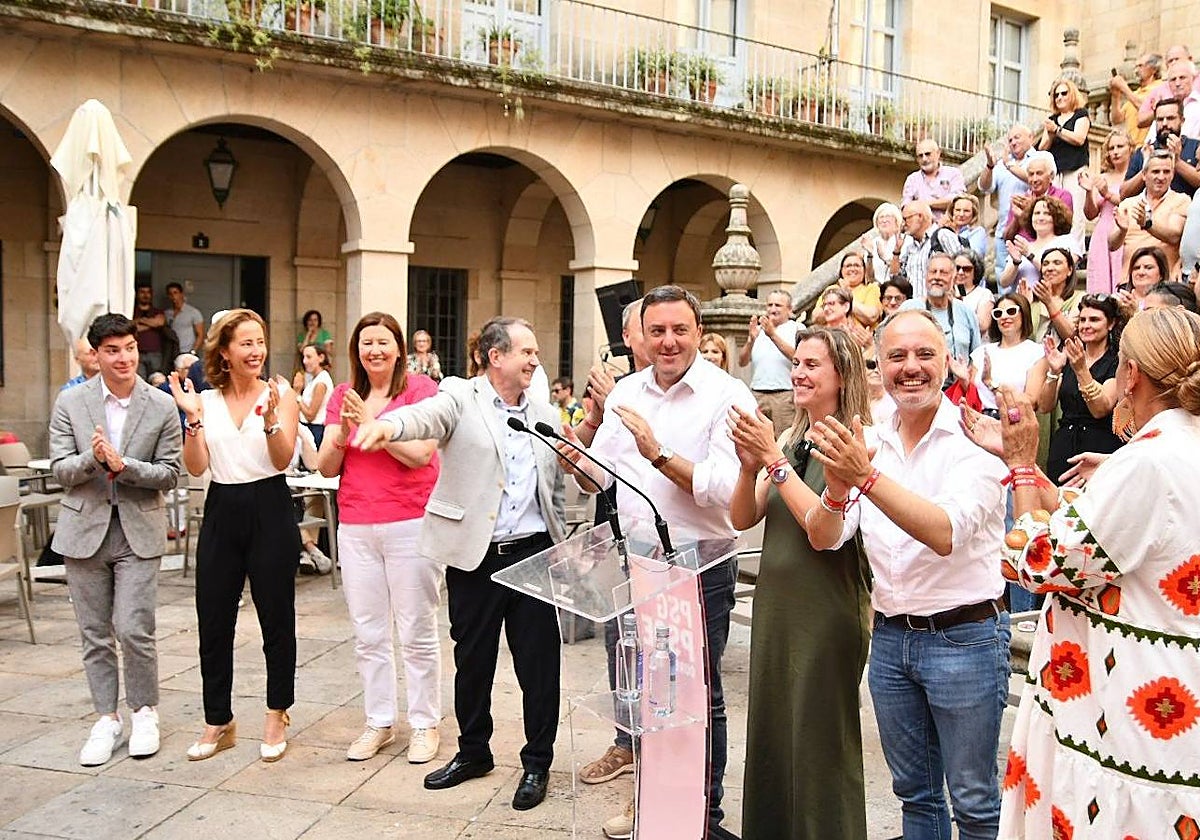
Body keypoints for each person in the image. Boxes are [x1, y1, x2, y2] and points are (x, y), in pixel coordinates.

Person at [978, 307, 1200, 838]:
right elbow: (1123, 536)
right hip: (1164, 706)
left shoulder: (1147, 461)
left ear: (1131, 375)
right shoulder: (1181, 446)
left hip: (1125, 713)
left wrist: (1023, 465)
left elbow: (1036, 563)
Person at [557, 286, 755, 840]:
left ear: (697, 332)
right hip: (636, 565)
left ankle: (703, 819)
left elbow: (723, 487)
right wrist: (576, 458)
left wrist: (659, 455)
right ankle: (656, 809)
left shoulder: (727, 394)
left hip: (700, 567)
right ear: (641, 335)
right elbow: (606, 475)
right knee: (651, 694)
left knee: (697, 698)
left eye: (679, 330)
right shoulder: (628, 391)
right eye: (657, 331)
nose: (667, 342)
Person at [809, 309, 1011, 840]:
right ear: (879, 365)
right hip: (893, 640)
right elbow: (826, 536)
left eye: (924, 354)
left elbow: (944, 531)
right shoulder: (870, 439)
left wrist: (863, 477)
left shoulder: (978, 440)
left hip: (965, 639)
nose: (911, 368)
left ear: (948, 362)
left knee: (973, 800)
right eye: (897, 356)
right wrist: (834, 488)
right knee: (915, 796)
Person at [353, 317, 566, 812]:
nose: (535, 361)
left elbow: (559, 477)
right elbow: (424, 417)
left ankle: (537, 763)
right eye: (526, 352)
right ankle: (474, 752)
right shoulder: (459, 395)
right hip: (476, 556)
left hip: (534, 553)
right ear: (496, 357)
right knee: (473, 663)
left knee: (540, 667)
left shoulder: (543, 410)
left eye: (535, 353)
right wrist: (386, 425)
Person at [728, 327, 872, 840]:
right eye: (798, 363)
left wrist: (772, 460)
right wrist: (750, 468)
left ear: (842, 375)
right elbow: (743, 517)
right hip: (777, 608)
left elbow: (821, 531)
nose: (799, 373)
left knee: (819, 744)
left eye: (813, 364)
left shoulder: (857, 443)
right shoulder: (791, 437)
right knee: (773, 734)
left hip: (826, 612)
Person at [168, 309, 302, 763]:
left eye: (260, 341)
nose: (256, 351)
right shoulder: (204, 400)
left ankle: (276, 712)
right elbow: (196, 466)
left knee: (276, 618)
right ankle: (217, 720)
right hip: (222, 509)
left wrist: (270, 421)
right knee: (213, 620)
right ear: (224, 351)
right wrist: (192, 420)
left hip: (270, 506)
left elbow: (283, 460)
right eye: (245, 343)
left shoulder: (280, 393)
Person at [48, 313, 182, 767]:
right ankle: (106, 717)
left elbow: (170, 473)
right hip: (83, 530)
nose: (123, 357)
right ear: (96, 355)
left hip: (138, 530)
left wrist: (125, 466)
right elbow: (60, 469)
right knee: (94, 633)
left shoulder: (161, 405)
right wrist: (94, 458)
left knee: (132, 627)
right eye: (112, 350)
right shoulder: (71, 402)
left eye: (128, 348)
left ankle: (144, 711)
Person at [316, 312, 443, 763]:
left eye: (383, 342)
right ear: (356, 350)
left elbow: (420, 454)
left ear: (399, 349)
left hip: (411, 522)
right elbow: (325, 466)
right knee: (368, 631)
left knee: (416, 628)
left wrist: (374, 422)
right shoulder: (342, 396)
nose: (375, 350)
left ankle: (426, 723)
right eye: (366, 342)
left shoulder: (421, 392)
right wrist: (346, 429)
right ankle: (379, 721)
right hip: (356, 523)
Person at [1040, 294, 1126, 484]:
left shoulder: (1116, 361)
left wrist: (1081, 370)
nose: (1086, 325)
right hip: (1064, 448)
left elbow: (1101, 408)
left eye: (1094, 320)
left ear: (1111, 324)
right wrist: (1054, 372)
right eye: (1083, 320)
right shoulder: (1070, 356)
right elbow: (1045, 406)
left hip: (1099, 449)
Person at [1111, 149, 1190, 279]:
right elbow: (1112, 245)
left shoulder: (1182, 200)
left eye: (1166, 172)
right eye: (1155, 172)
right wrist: (1122, 230)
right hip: (1131, 281)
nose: (1161, 177)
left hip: (1164, 284)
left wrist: (1147, 224)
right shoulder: (1128, 204)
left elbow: (1174, 235)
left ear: (1173, 175)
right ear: (1143, 175)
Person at [900, 252, 982, 375]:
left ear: (953, 279)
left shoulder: (966, 312)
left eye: (943, 273)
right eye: (933, 272)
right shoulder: (908, 309)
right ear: (926, 276)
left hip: (958, 388)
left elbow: (977, 358)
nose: (937, 277)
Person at [737, 289, 799, 439]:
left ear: (789, 309)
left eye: (778, 305)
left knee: (783, 440)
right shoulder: (758, 330)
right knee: (755, 439)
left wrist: (772, 335)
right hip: (757, 393)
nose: (772, 309)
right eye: (769, 305)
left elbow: (797, 357)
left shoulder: (797, 328)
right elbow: (742, 361)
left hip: (784, 395)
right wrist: (751, 340)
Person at [980, 123, 1035, 288]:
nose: (1013, 142)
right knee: (1003, 284)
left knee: (1026, 282)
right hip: (1004, 231)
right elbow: (984, 187)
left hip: (1030, 232)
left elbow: (1035, 179)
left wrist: (1009, 165)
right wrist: (990, 165)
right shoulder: (1002, 165)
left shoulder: (1041, 158)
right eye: (1010, 139)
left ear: (1031, 138)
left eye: (1017, 137)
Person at [1038, 77, 1091, 244]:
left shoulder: (1081, 115)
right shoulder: (1052, 119)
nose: (1060, 97)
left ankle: (1075, 250)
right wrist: (1051, 134)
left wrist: (1058, 130)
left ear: (1072, 95)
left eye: (1064, 93)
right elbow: (1042, 148)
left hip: (1075, 170)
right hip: (1057, 171)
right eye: (1056, 95)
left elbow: (1079, 138)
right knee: (1055, 211)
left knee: (1076, 212)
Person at [1081, 130, 1134, 294]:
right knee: (1100, 280)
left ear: (1130, 148)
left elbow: (1130, 202)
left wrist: (1107, 194)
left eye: (1120, 146)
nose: (1115, 152)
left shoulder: (1135, 177)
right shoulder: (1102, 177)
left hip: (1126, 230)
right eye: (1111, 148)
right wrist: (1089, 192)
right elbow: (1090, 214)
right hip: (1102, 232)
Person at [1122, 97, 1200, 201]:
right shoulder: (1144, 151)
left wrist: (1177, 162)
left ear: (1182, 120)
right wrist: (1147, 166)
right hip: (1148, 215)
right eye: (1159, 119)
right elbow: (1124, 193)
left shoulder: (1195, 147)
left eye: (1170, 118)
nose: (1164, 124)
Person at [999, 195, 1078, 293]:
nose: (1040, 218)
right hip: (1023, 303)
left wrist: (1029, 255)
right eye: (1036, 213)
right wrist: (1015, 263)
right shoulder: (1023, 245)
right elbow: (1004, 282)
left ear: (1056, 218)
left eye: (1047, 213)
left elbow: (1063, 273)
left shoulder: (1066, 241)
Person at [890, 200, 963, 299]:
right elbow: (895, 279)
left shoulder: (942, 236)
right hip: (916, 309)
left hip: (940, 307)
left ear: (920, 217)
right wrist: (896, 251)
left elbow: (963, 266)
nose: (903, 224)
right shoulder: (909, 249)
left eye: (906, 219)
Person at [1028, 246, 1085, 343]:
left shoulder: (1079, 298)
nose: (1050, 268)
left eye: (1057, 263)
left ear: (1070, 270)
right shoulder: (1032, 299)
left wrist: (1049, 303)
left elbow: (1070, 336)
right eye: (1045, 264)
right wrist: (1024, 306)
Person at [901, 138, 966, 221]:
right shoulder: (912, 179)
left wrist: (926, 204)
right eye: (920, 156)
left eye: (928, 154)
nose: (924, 159)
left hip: (949, 227)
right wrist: (941, 203)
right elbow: (906, 207)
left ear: (938, 154)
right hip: (921, 230)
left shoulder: (953, 174)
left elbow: (957, 202)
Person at [1109, 51, 1163, 147]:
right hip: (1133, 148)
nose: (1136, 71)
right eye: (1136, 67)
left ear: (1153, 69)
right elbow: (1117, 119)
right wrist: (1115, 95)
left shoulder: (1160, 87)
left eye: (1140, 66)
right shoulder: (1135, 93)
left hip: (1151, 146)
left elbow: (1146, 109)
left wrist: (1124, 88)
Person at [294, 343, 333, 449]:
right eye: (304, 357)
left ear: (321, 358)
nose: (305, 361)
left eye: (309, 357)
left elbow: (311, 415)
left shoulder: (321, 382)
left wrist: (297, 394)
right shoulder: (314, 379)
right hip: (309, 429)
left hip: (315, 430)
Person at [860, 202, 904, 284]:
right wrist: (870, 254)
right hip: (876, 290)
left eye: (888, 216)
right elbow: (869, 278)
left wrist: (885, 258)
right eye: (881, 217)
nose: (884, 220)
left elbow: (898, 273)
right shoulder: (872, 243)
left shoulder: (905, 240)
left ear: (896, 221)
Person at [1117, 244, 1170, 312]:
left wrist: (1135, 310)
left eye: (1148, 268)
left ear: (1161, 274)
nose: (1141, 272)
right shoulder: (1119, 300)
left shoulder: (1169, 302)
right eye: (1136, 268)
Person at [835, 251, 882, 326]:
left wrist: (845, 295)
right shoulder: (832, 289)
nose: (852, 269)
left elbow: (871, 316)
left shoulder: (872, 288)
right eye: (848, 266)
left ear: (864, 270)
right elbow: (816, 316)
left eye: (856, 265)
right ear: (841, 270)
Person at [954, 250, 994, 336]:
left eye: (966, 269)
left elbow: (982, 325)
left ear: (975, 271)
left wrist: (959, 305)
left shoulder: (984, 294)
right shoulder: (945, 292)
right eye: (957, 268)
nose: (960, 272)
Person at [133, 283, 167, 379]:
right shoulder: (132, 311)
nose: (145, 295)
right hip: (137, 352)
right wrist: (151, 324)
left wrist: (140, 320)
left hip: (155, 353)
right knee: (139, 381)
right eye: (142, 292)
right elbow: (130, 325)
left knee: (157, 381)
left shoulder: (157, 311)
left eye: (148, 292)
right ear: (137, 294)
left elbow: (160, 322)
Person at [165, 282, 204, 355]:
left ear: (181, 294)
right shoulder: (167, 313)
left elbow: (200, 335)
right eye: (170, 294)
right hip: (171, 352)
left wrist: (193, 352)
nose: (173, 296)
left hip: (187, 351)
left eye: (175, 293)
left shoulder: (193, 312)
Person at [949, 193, 989, 258]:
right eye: (958, 210)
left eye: (966, 211)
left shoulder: (978, 232)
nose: (961, 214)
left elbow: (972, 257)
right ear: (952, 211)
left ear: (974, 213)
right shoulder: (945, 230)